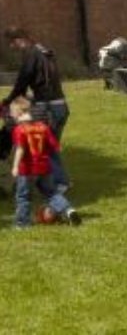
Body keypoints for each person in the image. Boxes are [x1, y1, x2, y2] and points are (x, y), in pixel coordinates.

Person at [2, 27, 70, 194]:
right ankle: (56, 181)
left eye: (13, 42)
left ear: (21, 39)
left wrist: (8, 101)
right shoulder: (44, 51)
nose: (12, 47)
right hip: (60, 105)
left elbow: (23, 81)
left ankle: (60, 184)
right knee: (51, 147)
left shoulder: (31, 53)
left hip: (49, 108)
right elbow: (45, 81)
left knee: (46, 147)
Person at [10, 100, 79, 228]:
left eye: (11, 113)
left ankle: (22, 223)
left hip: (27, 170)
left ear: (17, 113)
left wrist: (15, 166)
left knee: (23, 196)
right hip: (44, 168)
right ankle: (68, 210)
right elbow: (56, 147)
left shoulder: (19, 129)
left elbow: (20, 148)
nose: (11, 116)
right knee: (52, 193)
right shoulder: (43, 127)